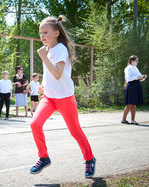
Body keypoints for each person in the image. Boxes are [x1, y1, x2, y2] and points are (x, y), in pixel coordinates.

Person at [29, 16, 96, 178]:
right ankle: (43, 157)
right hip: (49, 97)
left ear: (56, 33)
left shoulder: (60, 49)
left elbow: (58, 74)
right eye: (40, 33)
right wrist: (44, 85)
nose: (42, 36)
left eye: (45, 32)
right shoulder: (49, 49)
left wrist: (43, 57)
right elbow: (50, 74)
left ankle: (89, 159)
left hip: (65, 97)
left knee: (75, 131)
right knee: (35, 124)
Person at [121, 55, 147, 125]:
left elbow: (139, 78)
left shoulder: (135, 68)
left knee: (134, 104)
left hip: (136, 85)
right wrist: (138, 77)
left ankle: (133, 120)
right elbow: (129, 78)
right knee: (130, 104)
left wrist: (143, 77)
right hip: (132, 86)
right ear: (132, 61)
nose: (137, 62)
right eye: (136, 61)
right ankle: (123, 119)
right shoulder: (128, 68)